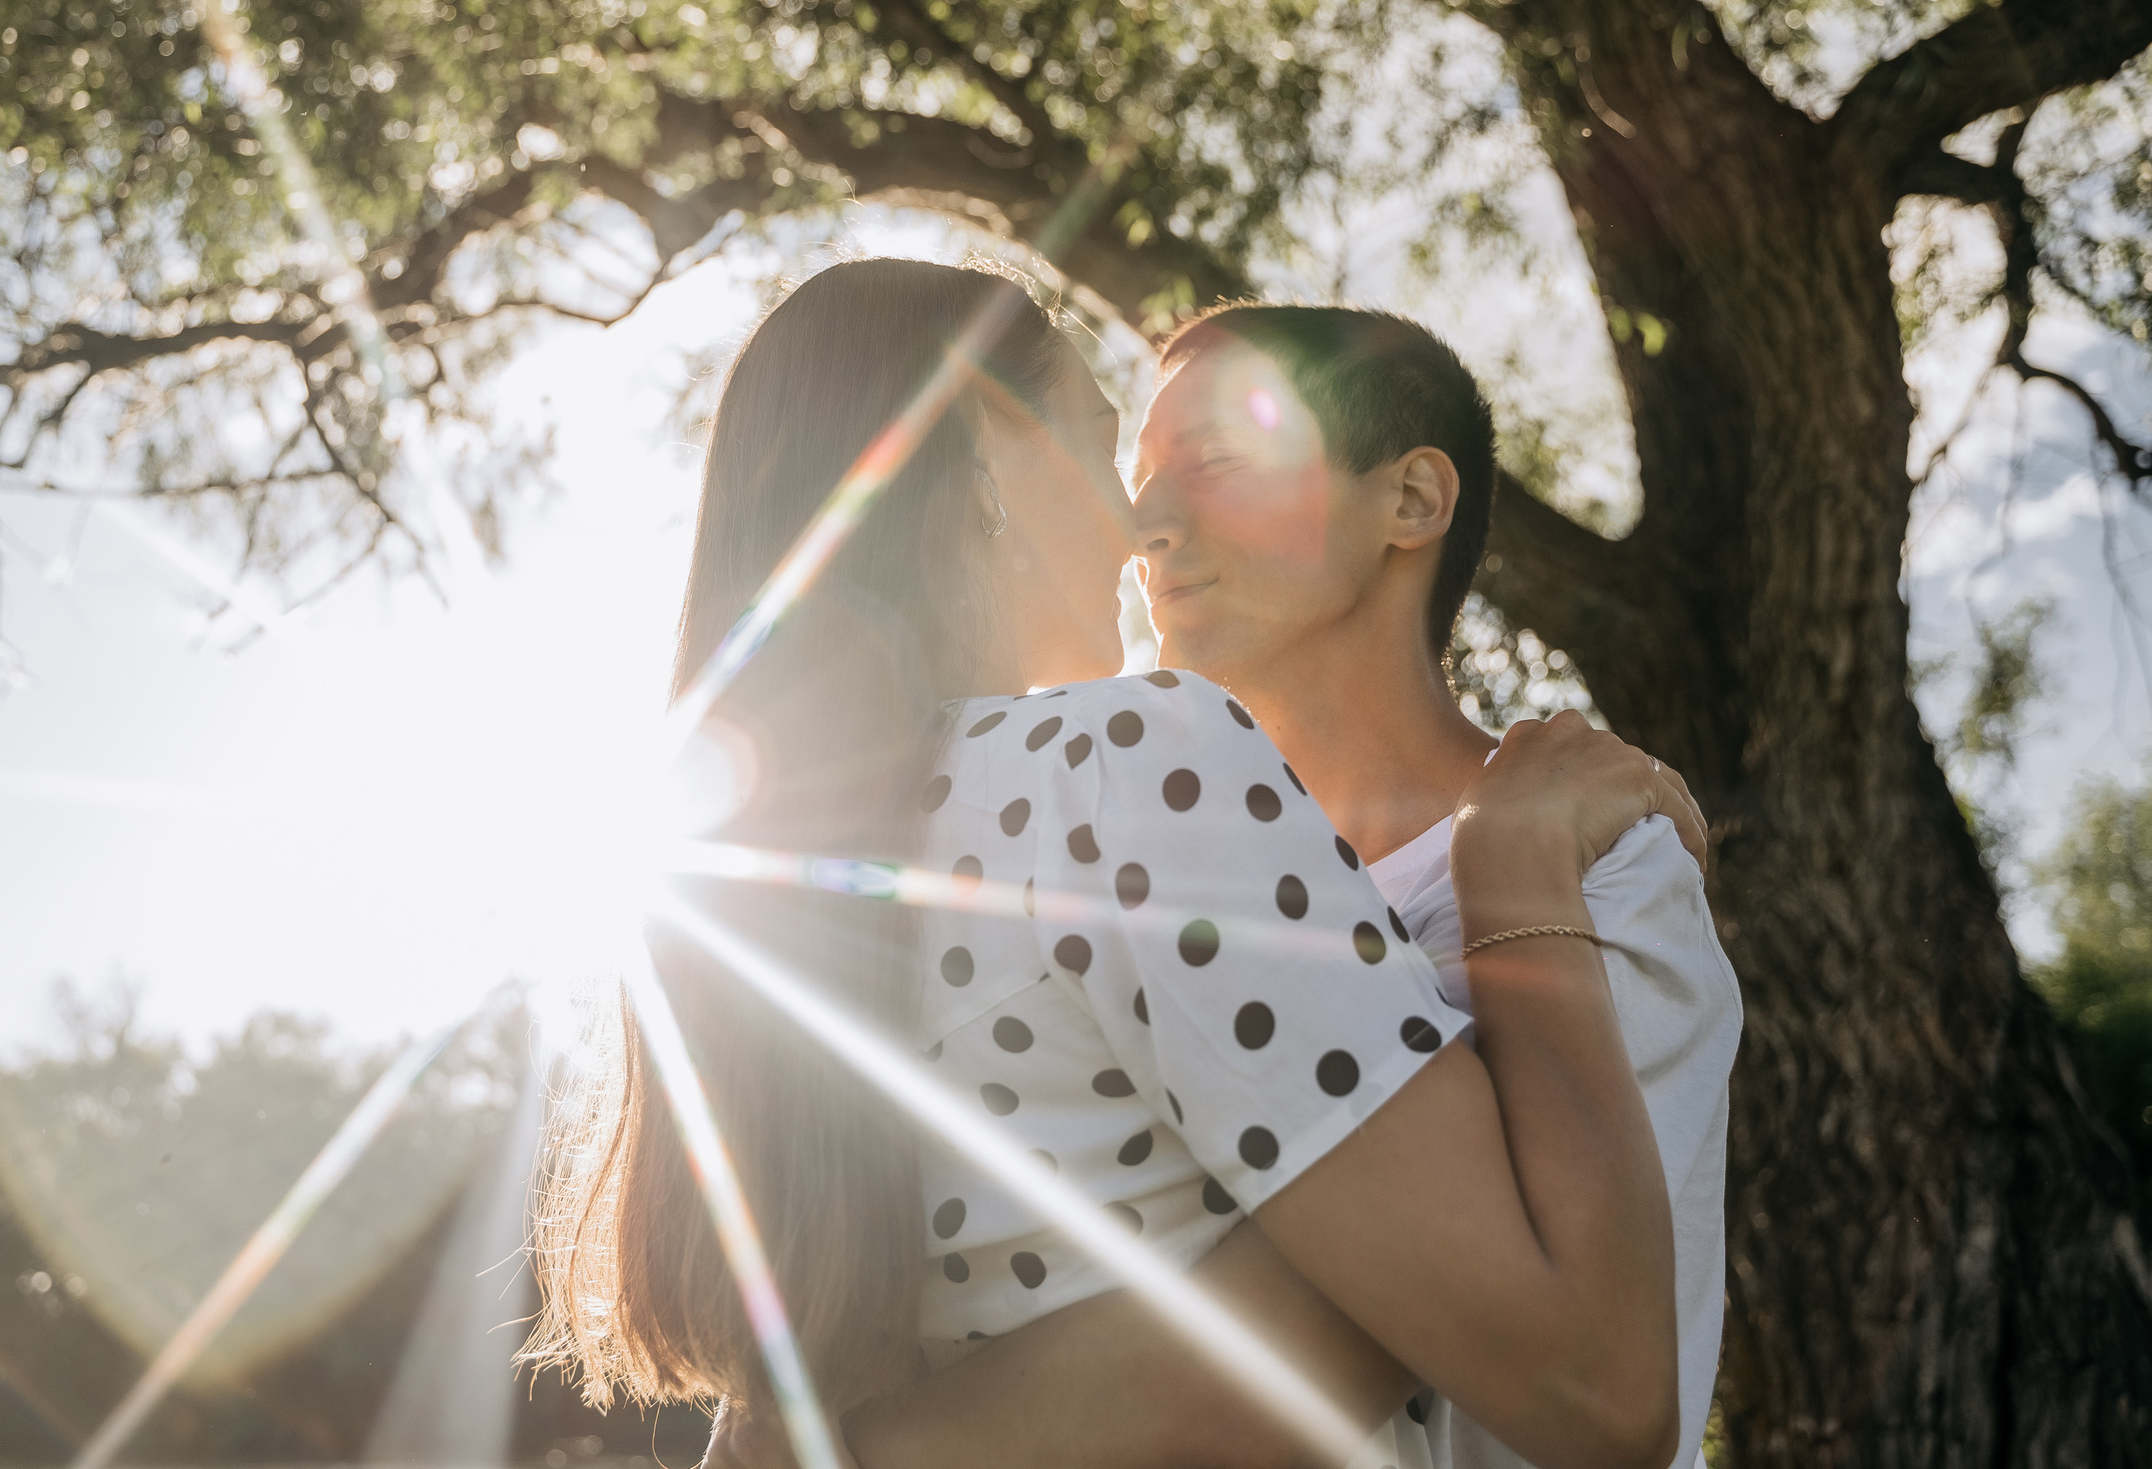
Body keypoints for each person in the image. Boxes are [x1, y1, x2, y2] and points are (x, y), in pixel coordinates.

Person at [525, 261, 1703, 1469]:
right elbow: (1596, 1387)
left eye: (1216, 462)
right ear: (981, 469)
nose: (1140, 527)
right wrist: (1511, 873)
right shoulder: (1121, 762)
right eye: (1103, 448)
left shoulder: (767, 888)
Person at [829, 307, 1742, 1469]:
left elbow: (1586, 1370)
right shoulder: (1131, 882)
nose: (1144, 525)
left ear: (1411, 499)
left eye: (1215, 463)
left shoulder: (1606, 871)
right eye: (1137, 478)